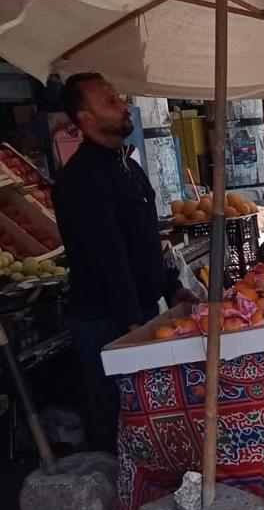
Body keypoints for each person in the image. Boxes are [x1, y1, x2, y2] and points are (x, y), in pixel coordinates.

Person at [53, 73, 192, 449]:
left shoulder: (128, 168)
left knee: (153, 418)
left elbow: (144, 241)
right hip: (106, 321)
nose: (122, 106)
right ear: (85, 118)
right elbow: (107, 255)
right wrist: (133, 322)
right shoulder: (81, 179)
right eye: (110, 101)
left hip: (137, 311)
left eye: (118, 97)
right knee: (131, 425)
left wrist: (171, 287)